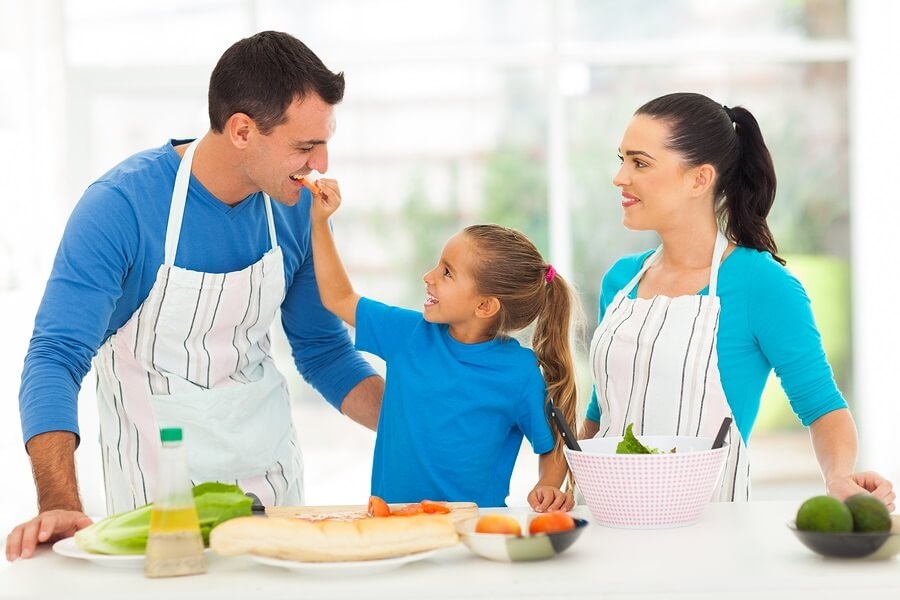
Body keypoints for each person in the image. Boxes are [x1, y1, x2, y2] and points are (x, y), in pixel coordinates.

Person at [6, 31, 384, 561]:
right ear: (242, 130)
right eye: (304, 146)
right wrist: (58, 503)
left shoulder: (295, 208)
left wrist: (423, 421)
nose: (320, 162)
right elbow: (55, 357)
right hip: (155, 507)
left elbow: (324, 354)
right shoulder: (122, 208)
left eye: (324, 142)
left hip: (272, 492)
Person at [580, 91, 895, 509]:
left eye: (639, 163)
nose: (620, 177)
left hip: (708, 533)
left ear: (699, 178)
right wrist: (565, 484)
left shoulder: (760, 284)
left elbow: (822, 405)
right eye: (621, 159)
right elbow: (603, 409)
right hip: (603, 521)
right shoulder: (620, 281)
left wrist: (839, 477)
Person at [308, 178, 579, 511]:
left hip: (470, 532)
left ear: (485, 306)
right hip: (392, 524)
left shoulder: (519, 373)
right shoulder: (408, 333)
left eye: (447, 272)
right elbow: (339, 298)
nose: (429, 276)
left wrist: (548, 484)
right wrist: (320, 222)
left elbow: (551, 445)